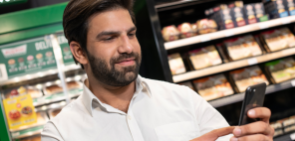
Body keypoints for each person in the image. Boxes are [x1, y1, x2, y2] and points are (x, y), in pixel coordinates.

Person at [41, 0, 274, 140]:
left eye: (131, 34)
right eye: (109, 38)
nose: (127, 47)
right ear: (79, 51)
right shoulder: (60, 133)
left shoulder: (184, 99)